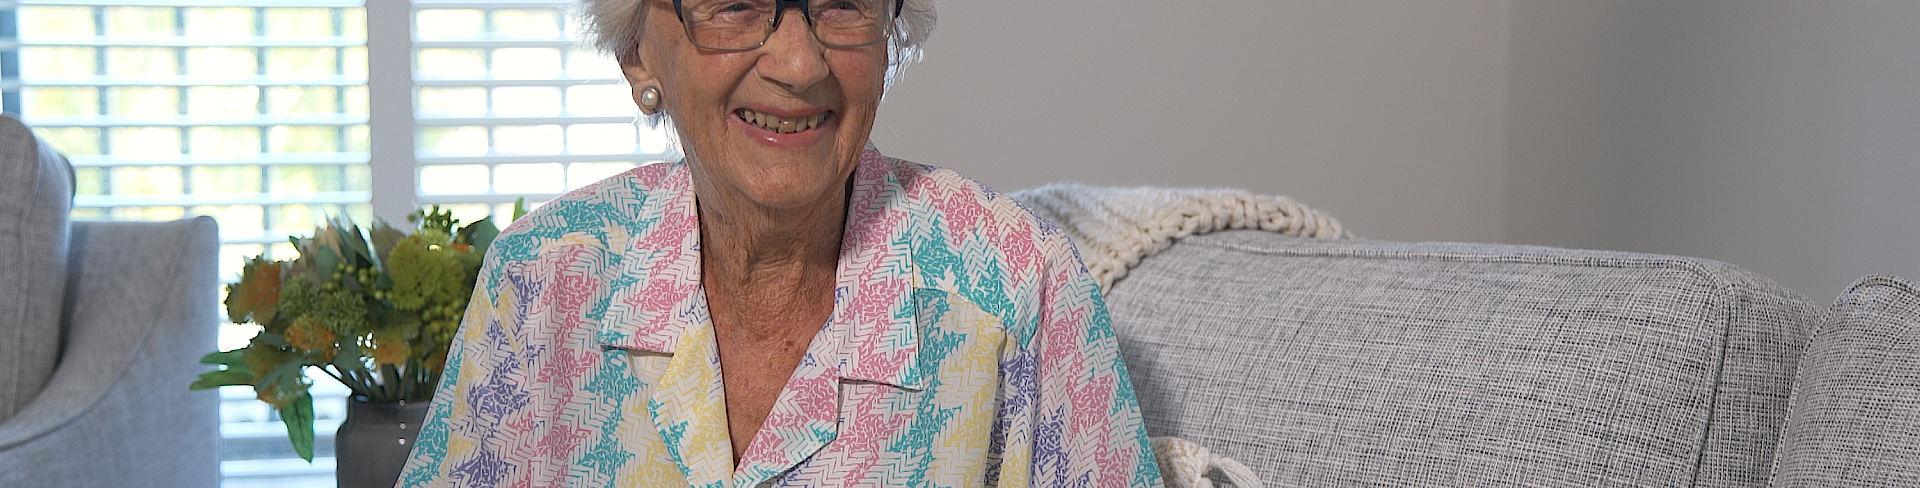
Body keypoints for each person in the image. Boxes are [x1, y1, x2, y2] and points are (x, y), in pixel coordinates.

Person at [397, 0, 1162, 486]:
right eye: (732, 4)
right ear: (638, 55)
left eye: (842, 3)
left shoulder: (1014, 281)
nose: (799, 64)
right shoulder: (543, 281)